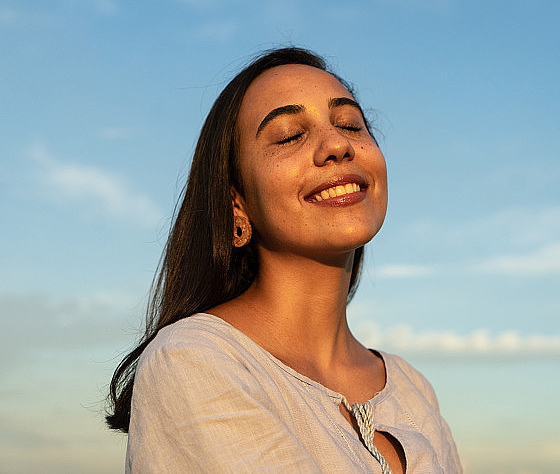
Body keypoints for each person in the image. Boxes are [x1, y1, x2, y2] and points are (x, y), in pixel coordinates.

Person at [106, 47, 462, 473]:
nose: (337, 145)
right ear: (237, 204)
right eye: (291, 134)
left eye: (350, 124)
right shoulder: (195, 360)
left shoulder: (411, 388)